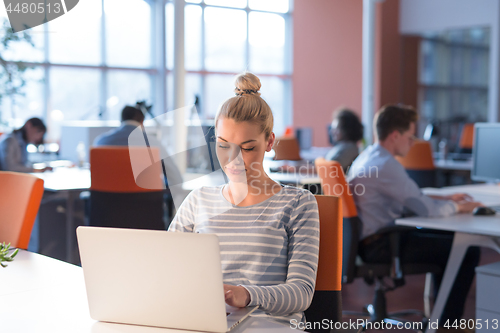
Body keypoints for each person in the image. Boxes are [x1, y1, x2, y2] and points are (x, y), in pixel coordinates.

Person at [168, 72, 320, 324]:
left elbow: (302, 293)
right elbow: (165, 268)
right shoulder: (198, 201)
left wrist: (247, 294)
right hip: (203, 322)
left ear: (269, 141)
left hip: (267, 324)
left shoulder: (298, 203)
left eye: (247, 148)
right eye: (223, 145)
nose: (232, 159)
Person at [348, 104, 482, 324]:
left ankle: (442, 315)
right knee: (466, 250)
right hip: (382, 246)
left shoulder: (368, 157)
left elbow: (411, 196)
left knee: (450, 241)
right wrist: (460, 207)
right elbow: (427, 210)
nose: (412, 143)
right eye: (410, 137)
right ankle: (449, 323)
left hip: (367, 242)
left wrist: (445, 198)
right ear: (394, 135)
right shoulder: (386, 165)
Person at [93, 105, 182, 188]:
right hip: (146, 202)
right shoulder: (153, 143)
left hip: (106, 202)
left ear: (121, 120)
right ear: (142, 122)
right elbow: (176, 179)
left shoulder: (101, 142)